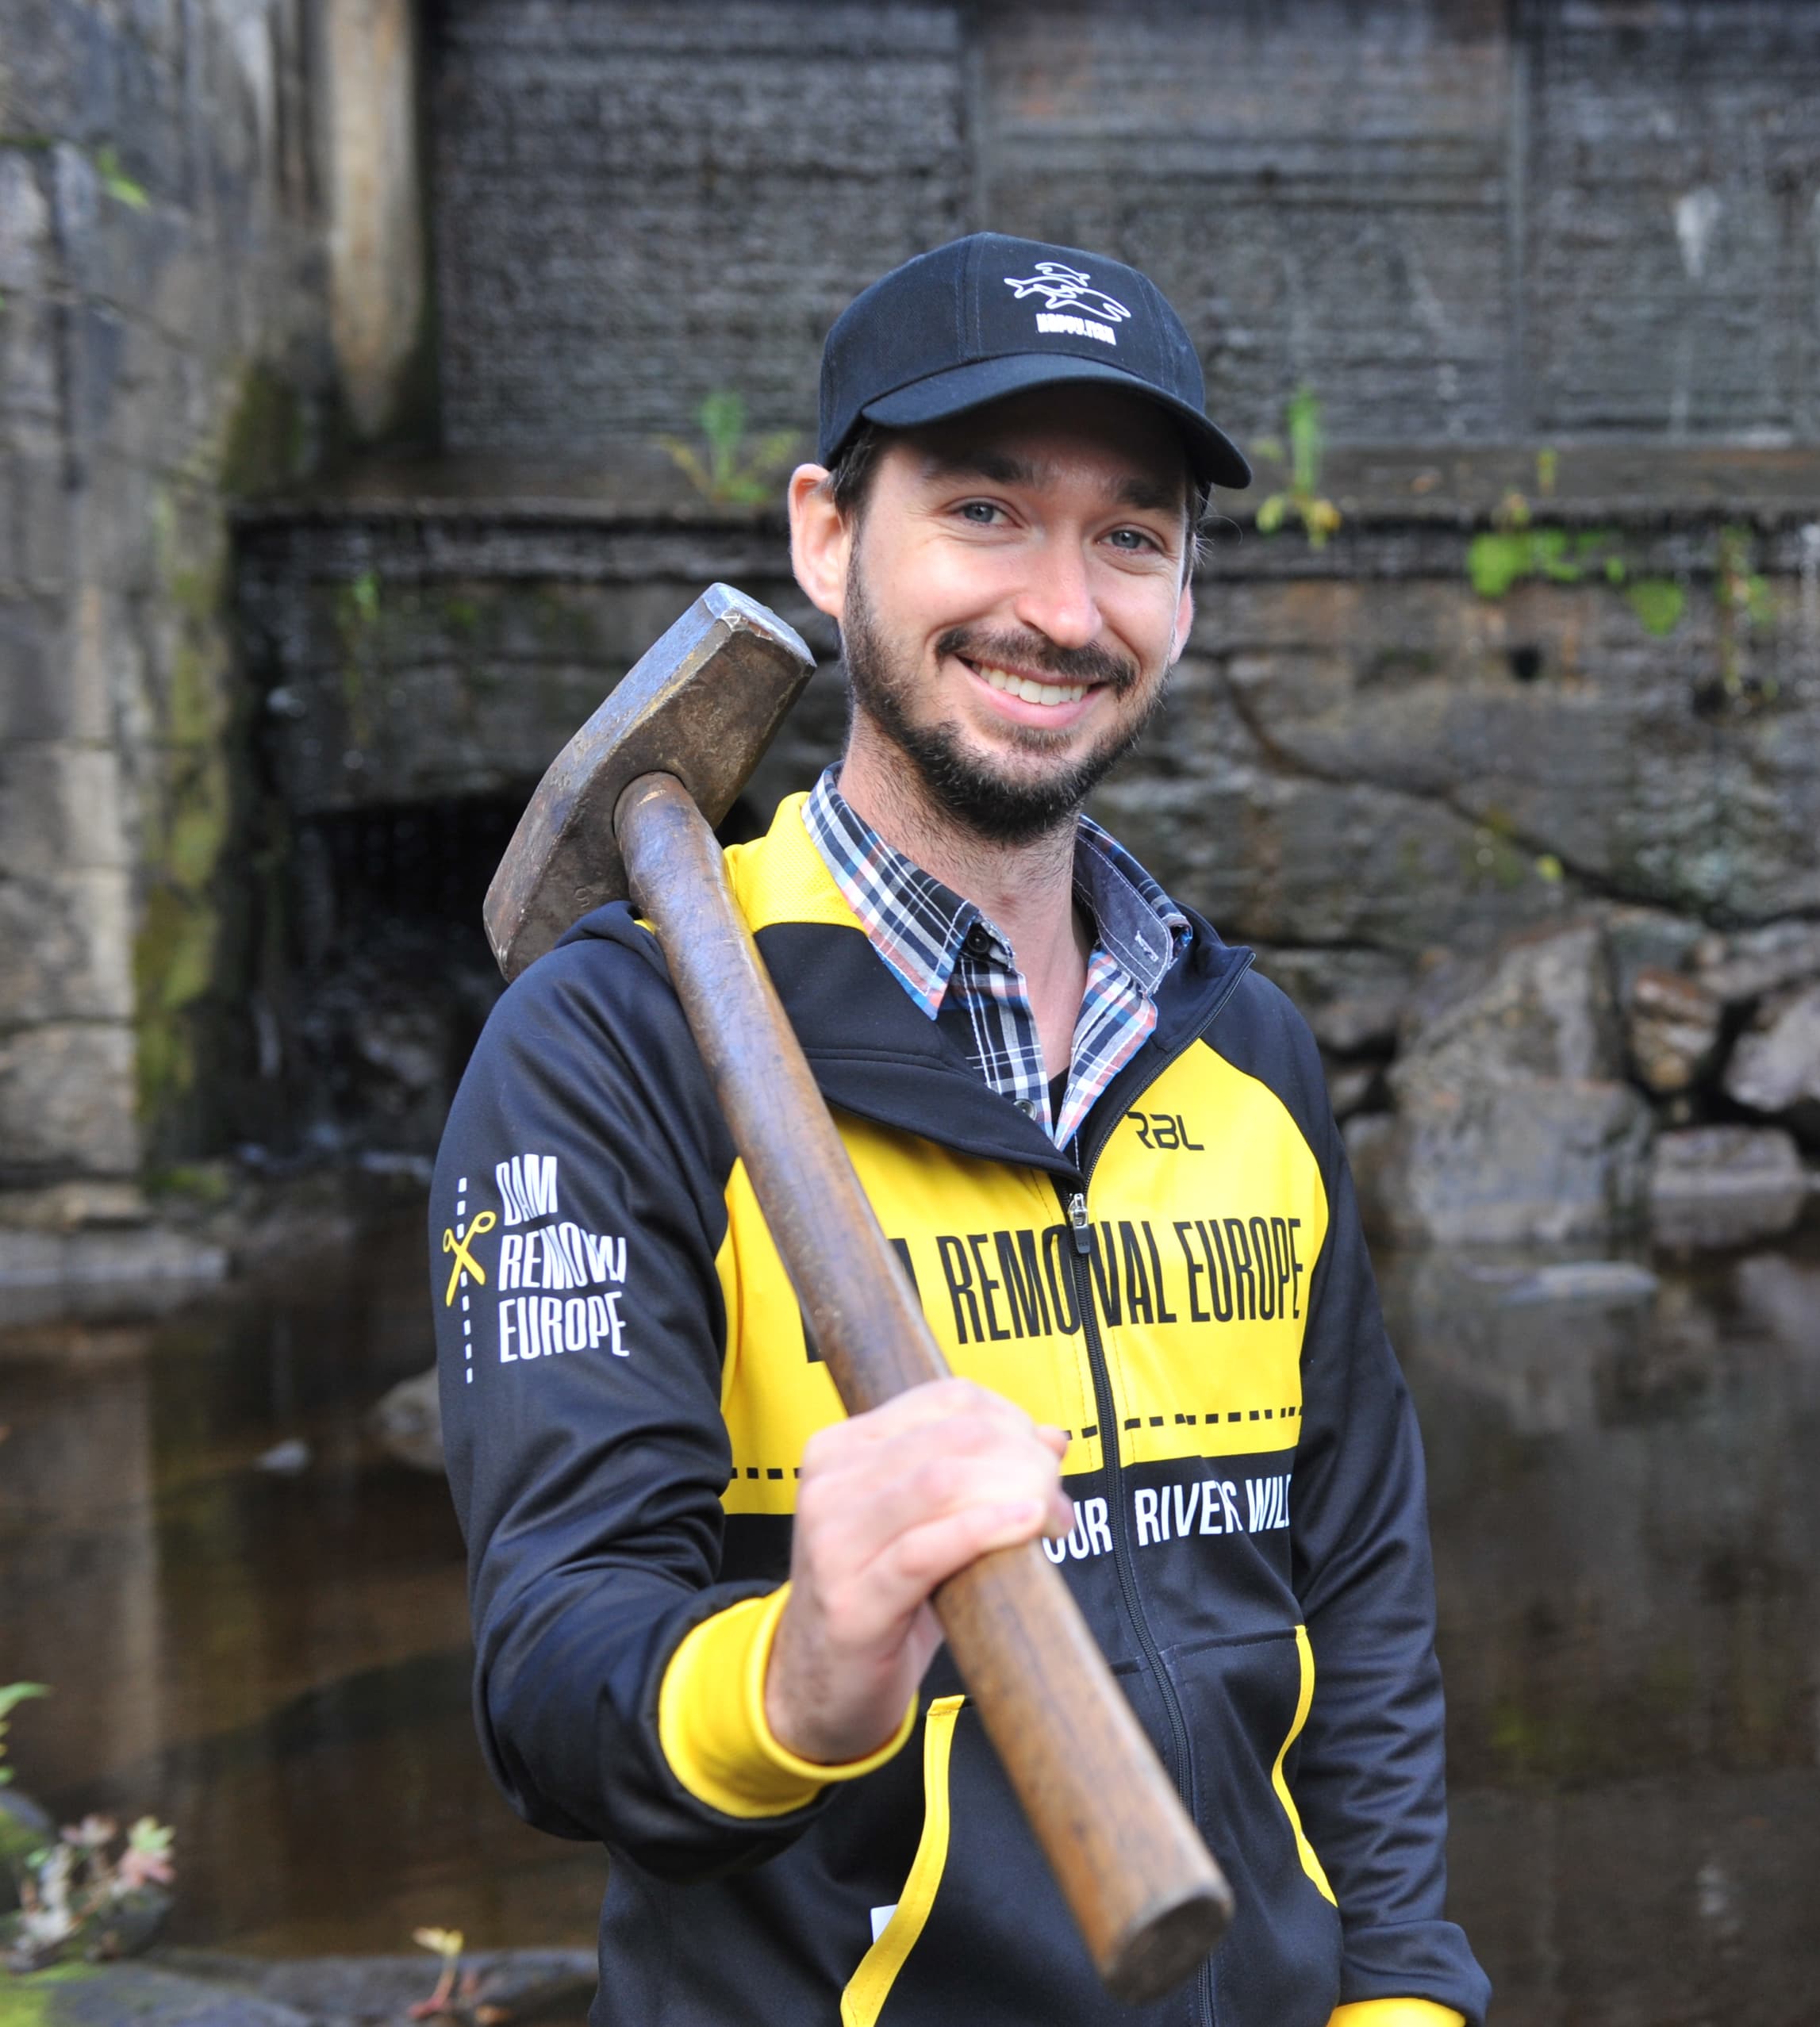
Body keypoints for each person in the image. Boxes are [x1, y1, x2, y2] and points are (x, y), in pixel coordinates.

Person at [430, 234, 1488, 2027]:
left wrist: (1402, 1998)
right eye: (988, 511)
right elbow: (551, 1673)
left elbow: (1361, 1606)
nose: (1064, 610)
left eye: (1131, 535)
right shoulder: (611, 1047)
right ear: (829, 534)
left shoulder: (1247, 1054)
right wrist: (794, 1680)